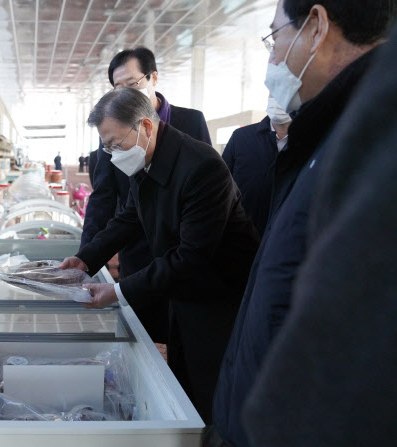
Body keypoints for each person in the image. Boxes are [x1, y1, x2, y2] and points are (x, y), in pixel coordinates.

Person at [209, 1, 396, 446]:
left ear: (316, 25)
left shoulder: (367, 146)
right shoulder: (326, 138)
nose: (272, 57)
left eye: (275, 37)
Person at [61, 88, 259, 423]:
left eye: (114, 143)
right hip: (183, 294)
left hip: (221, 299)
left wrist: (118, 292)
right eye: (105, 146)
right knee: (183, 386)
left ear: (146, 127)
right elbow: (129, 216)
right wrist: (86, 259)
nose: (111, 154)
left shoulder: (202, 168)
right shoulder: (146, 158)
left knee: (214, 394)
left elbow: (190, 256)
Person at [81, 47, 212, 344]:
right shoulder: (125, 144)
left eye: (132, 84)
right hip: (138, 255)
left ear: (153, 77)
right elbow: (110, 203)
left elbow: (196, 228)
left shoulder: (194, 145)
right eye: (118, 88)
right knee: (141, 339)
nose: (125, 93)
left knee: (185, 343)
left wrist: (113, 289)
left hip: (190, 258)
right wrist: (84, 260)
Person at [222, 97, 291, 237]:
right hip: (241, 237)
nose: (276, 99)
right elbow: (218, 185)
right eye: (272, 95)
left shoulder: (311, 141)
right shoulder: (241, 138)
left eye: (281, 93)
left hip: (287, 238)